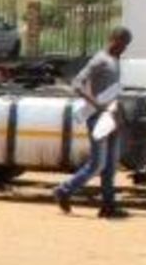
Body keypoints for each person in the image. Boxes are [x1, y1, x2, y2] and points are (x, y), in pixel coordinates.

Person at [56, 27, 133, 218]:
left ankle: (108, 206)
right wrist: (96, 104)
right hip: (98, 117)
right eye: (122, 43)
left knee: (110, 165)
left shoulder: (115, 60)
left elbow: (113, 90)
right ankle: (64, 190)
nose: (124, 48)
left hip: (112, 116)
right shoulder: (100, 59)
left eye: (126, 45)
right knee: (97, 164)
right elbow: (76, 84)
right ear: (113, 38)